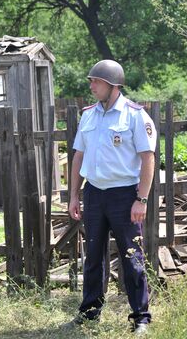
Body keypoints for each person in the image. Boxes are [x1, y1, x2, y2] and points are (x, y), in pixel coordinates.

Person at [64, 59, 156, 335]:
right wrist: (74, 195)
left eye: (96, 81)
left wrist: (141, 199)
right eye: (91, 80)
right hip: (94, 194)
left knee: (132, 257)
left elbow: (148, 158)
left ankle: (141, 317)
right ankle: (90, 311)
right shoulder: (89, 115)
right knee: (93, 256)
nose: (91, 85)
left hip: (124, 196)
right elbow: (79, 155)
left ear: (112, 85)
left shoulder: (135, 115)